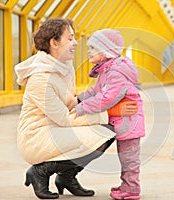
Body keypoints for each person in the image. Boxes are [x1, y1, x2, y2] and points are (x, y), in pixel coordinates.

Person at [14, 18, 137, 199]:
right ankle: (40, 171)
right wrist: (109, 112)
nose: (76, 42)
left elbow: (71, 102)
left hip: (57, 128)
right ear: (54, 43)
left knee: (108, 131)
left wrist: (95, 103)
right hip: (37, 136)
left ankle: (66, 177)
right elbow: (64, 118)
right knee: (103, 134)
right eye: (70, 38)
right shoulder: (40, 79)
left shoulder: (65, 67)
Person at [75, 29, 145, 200]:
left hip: (129, 122)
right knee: (126, 156)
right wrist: (78, 99)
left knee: (129, 158)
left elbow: (106, 99)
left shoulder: (115, 73)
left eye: (92, 47)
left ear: (106, 51)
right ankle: (127, 185)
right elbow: (96, 91)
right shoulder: (107, 70)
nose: (88, 51)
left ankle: (131, 190)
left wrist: (81, 107)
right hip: (123, 121)